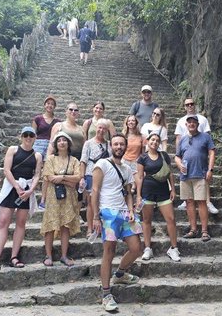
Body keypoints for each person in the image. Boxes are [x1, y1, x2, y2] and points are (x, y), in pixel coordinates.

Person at [92, 134, 143, 311]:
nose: (119, 146)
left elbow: (128, 193)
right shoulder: (102, 164)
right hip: (108, 213)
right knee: (109, 251)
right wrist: (95, 217)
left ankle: (119, 274)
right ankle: (106, 294)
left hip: (124, 212)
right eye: (116, 144)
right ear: (110, 146)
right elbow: (95, 190)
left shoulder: (128, 169)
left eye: (121, 144)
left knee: (137, 248)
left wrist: (130, 210)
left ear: (126, 146)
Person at [0, 127, 42, 275]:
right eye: (26, 135)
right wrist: (16, 187)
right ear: (21, 136)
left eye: (31, 135)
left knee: (21, 223)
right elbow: (7, 170)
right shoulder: (13, 149)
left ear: (35, 138)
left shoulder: (37, 155)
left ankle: (14, 257)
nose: (28, 138)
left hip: (26, 189)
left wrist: (30, 191)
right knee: (3, 222)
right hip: (11, 187)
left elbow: (37, 175)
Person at [137, 132, 180, 261]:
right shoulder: (142, 158)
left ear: (159, 143)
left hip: (163, 191)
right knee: (147, 220)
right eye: (152, 140)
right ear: (147, 141)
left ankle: (174, 248)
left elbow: (170, 174)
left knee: (171, 219)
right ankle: (148, 248)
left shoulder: (164, 156)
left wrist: (173, 189)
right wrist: (138, 195)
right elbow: (139, 177)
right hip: (147, 191)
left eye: (157, 140)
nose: (154, 142)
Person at [41, 132, 81, 267]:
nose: (62, 143)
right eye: (59, 141)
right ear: (56, 144)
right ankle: (48, 255)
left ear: (69, 144)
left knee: (66, 225)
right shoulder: (51, 159)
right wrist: (69, 180)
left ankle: (64, 255)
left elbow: (78, 177)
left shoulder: (74, 160)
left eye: (64, 140)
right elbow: (49, 177)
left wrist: (61, 178)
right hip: (53, 196)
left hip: (69, 197)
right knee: (50, 225)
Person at [175, 115, 216, 242]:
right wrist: (179, 164)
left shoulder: (205, 137)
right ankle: (193, 229)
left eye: (194, 122)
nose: (191, 124)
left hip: (200, 173)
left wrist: (210, 170)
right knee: (189, 201)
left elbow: (212, 152)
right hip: (185, 175)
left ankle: (204, 230)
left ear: (198, 124)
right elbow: (177, 156)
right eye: (189, 123)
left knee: (202, 201)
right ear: (186, 125)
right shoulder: (183, 139)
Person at [174, 98, 218, 214]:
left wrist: (209, 166)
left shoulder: (202, 119)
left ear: (195, 105)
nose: (189, 106)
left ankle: (208, 202)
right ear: (184, 106)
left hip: (200, 151)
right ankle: (186, 201)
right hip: (185, 152)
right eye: (187, 104)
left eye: (191, 104)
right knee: (188, 192)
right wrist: (179, 158)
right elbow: (178, 138)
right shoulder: (181, 121)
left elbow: (207, 137)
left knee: (203, 180)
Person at [80, 119, 112, 238]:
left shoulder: (109, 144)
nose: (101, 130)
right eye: (99, 128)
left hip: (105, 175)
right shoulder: (88, 143)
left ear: (107, 130)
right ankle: (90, 229)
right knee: (90, 202)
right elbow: (83, 161)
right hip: (90, 173)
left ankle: (104, 227)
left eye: (104, 128)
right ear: (96, 128)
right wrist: (82, 177)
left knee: (104, 201)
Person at [32, 96, 61, 209]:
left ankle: (43, 200)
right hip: (38, 144)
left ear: (54, 107)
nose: (50, 105)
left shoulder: (58, 121)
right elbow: (33, 133)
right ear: (44, 105)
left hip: (51, 145)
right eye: (48, 103)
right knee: (36, 171)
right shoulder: (38, 118)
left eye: (52, 104)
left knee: (47, 173)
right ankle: (30, 197)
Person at [121, 115, 146, 193]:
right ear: (126, 123)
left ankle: (138, 199)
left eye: (133, 121)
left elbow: (143, 152)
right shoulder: (123, 136)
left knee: (139, 184)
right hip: (124, 161)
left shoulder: (142, 137)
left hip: (136, 162)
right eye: (129, 121)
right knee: (125, 185)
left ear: (136, 123)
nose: (131, 122)